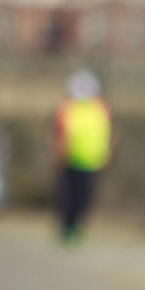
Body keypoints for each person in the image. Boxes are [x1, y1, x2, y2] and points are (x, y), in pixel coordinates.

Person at [52, 69, 112, 246]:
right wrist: (59, 153)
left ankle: (77, 229)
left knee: (85, 198)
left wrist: (105, 153)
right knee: (70, 197)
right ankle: (68, 229)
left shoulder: (100, 108)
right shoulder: (68, 107)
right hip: (71, 160)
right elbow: (60, 133)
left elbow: (105, 133)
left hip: (92, 161)